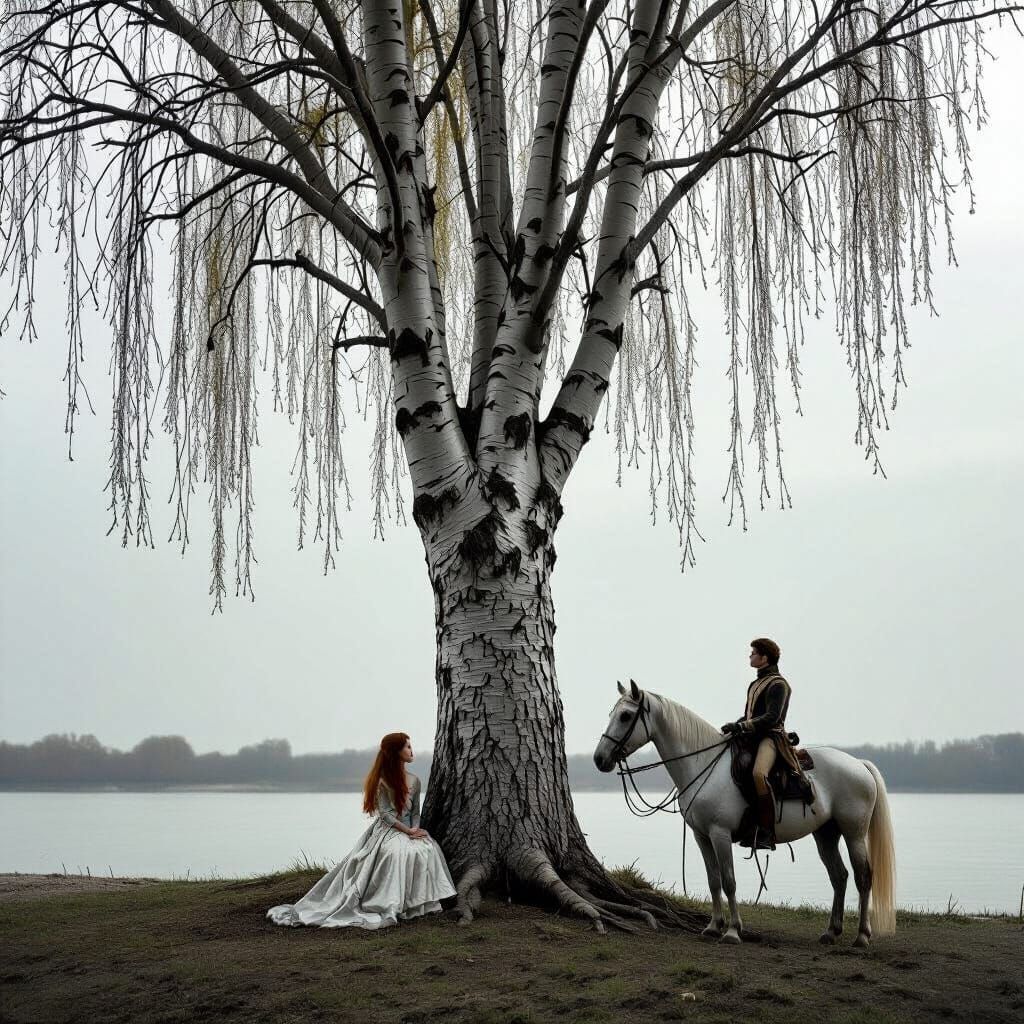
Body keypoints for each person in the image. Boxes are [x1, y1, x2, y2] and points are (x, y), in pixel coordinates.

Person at [267, 732, 456, 929]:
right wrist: (407, 832)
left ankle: (422, 903)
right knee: (398, 852)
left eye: (411, 746)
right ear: (395, 752)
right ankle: (391, 902)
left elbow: (416, 810)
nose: (411, 750)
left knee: (428, 847)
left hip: (409, 828)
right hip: (388, 831)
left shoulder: (415, 780)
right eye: (407, 747)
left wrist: (415, 828)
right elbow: (386, 815)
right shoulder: (383, 781)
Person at [720, 638, 803, 850]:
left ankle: (766, 831)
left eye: (753, 652)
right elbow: (750, 714)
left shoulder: (778, 684)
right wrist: (736, 725)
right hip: (751, 737)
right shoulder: (755, 683)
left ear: (764, 658)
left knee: (758, 774)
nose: (750, 656)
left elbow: (771, 718)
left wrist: (743, 726)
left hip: (771, 738)